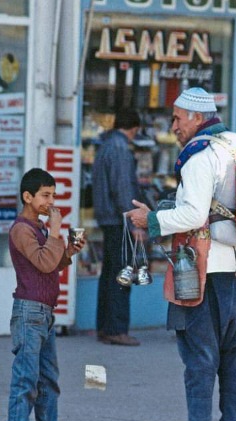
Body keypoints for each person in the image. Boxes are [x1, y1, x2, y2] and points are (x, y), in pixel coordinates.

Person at [127, 87, 236, 421]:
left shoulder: (201, 156)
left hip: (204, 269)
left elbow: (193, 215)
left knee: (199, 353)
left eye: (178, 118)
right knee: (233, 354)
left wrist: (150, 219)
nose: (174, 126)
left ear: (198, 118)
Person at [0, 168, 85, 421]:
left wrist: (69, 251)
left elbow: (49, 263)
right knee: (26, 376)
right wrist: (58, 231)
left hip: (44, 312)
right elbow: (44, 263)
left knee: (48, 377)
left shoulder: (39, 228)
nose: (51, 201)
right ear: (28, 196)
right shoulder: (22, 229)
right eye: (45, 195)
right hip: (29, 311)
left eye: (53, 195)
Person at [92, 108, 144, 347]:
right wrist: (134, 222)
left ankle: (104, 326)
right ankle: (116, 328)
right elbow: (123, 190)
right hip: (119, 220)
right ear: (133, 128)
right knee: (122, 275)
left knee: (108, 275)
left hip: (106, 218)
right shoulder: (121, 149)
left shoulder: (104, 146)